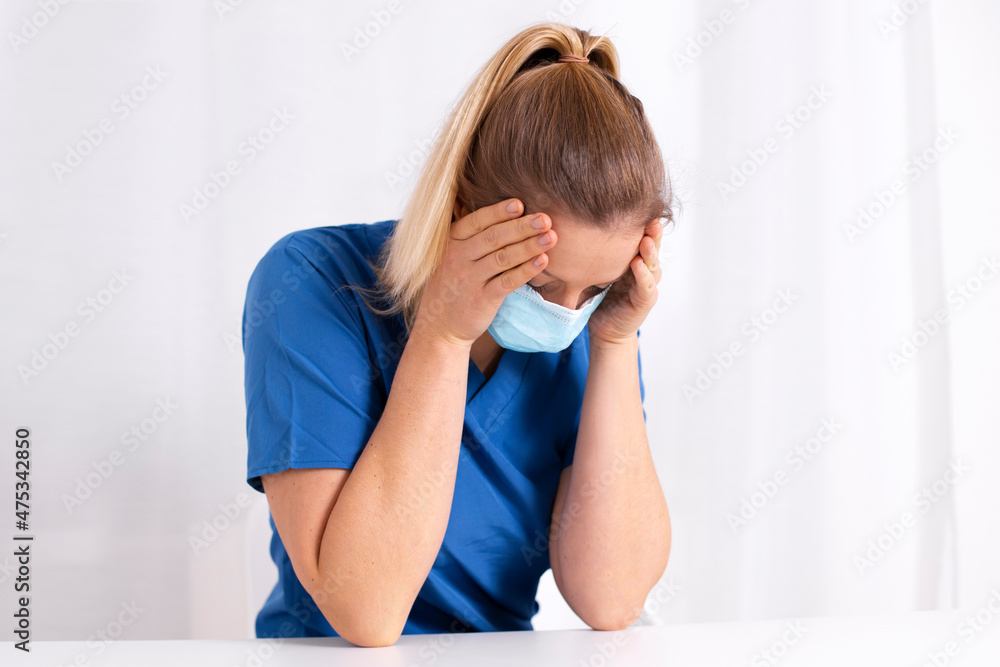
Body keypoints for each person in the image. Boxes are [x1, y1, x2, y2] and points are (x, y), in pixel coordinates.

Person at [242, 21, 673, 647]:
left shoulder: (595, 328)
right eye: (542, 283)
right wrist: (444, 335)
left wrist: (614, 342)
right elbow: (365, 613)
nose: (567, 315)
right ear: (463, 209)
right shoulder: (311, 282)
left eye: (595, 289)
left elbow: (613, 598)